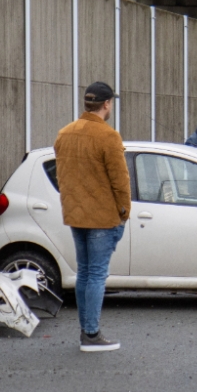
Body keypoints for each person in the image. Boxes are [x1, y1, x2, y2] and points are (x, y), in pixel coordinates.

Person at [54, 81, 130, 352]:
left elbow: (62, 177)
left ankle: (86, 331)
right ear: (107, 104)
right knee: (97, 274)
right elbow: (120, 181)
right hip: (102, 216)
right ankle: (91, 334)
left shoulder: (65, 134)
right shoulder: (108, 136)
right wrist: (124, 212)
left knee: (84, 273)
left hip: (76, 215)